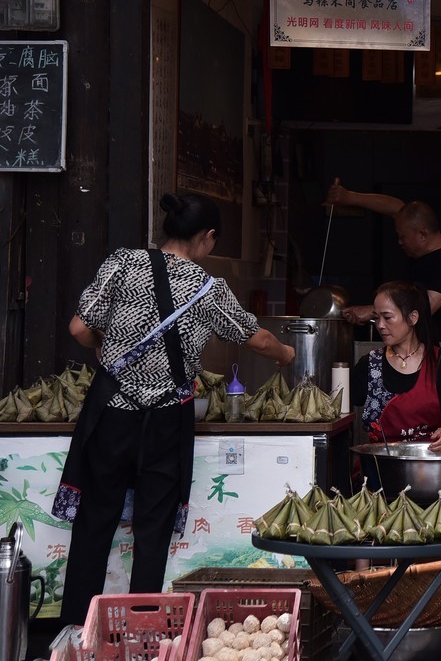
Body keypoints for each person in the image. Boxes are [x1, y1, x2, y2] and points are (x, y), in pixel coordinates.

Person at [55, 192, 296, 626]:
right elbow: (256, 338)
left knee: (93, 524)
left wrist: (109, 355)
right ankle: (143, 630)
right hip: (166, 420)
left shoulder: (122, 263)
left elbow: (79, 327)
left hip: (111, 411)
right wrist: (286, 354)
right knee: (153, 529)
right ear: (207, 237)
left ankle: (75, 635)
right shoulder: (208, 288)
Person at [350, 281, 441, 539]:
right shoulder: (368, 365)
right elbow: (347, 406)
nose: (380, 325)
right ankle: (363, 574)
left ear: (413, 317)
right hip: (385, 466)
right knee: (365, 487)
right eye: (376, 318)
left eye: (388, 317)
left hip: (430, 464)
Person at [324, 178, 441, 343]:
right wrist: (349, 197)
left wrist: (374, 311)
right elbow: (396, 207)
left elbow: (424, 307)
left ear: (422, 235)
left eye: (402, 237)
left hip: (428, 352)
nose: (399, 242)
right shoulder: (421, 234)